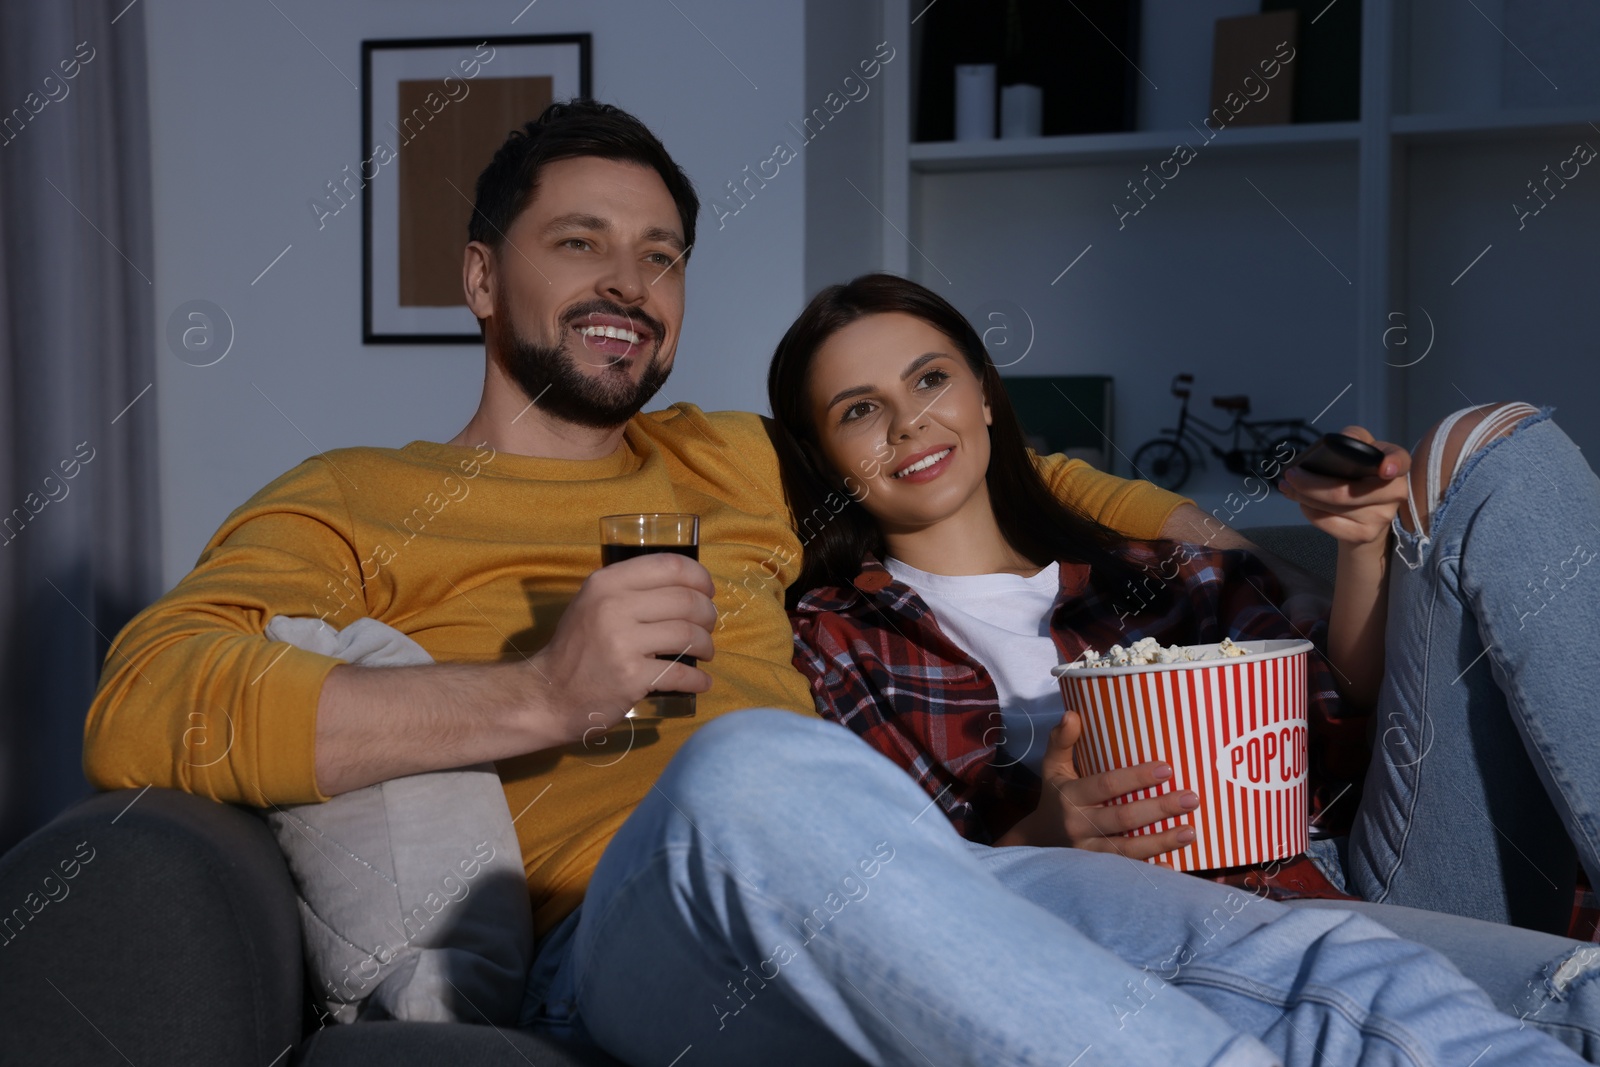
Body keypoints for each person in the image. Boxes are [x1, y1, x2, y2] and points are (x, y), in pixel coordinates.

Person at [80, 101, 1599, 1064]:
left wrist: (1232, 540)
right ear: (483, 280)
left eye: (663, 254)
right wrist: (538, 691)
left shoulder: (738, 453)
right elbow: (146, 700)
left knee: (1322, 946)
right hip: (632, 931)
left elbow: (1018, 477)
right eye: (581, 242)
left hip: (925, 882)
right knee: (760, 773)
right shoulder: (355, 494)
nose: (629, 280)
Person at [772, 272, 1600, 929]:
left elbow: (1354, 705)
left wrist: (1358, 545)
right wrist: (1037, 843)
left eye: (929, 379)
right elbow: (894, 898)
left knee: (1496, 443)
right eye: (860, 411)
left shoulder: (1164, 571)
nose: (910, 424)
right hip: (1185, 944)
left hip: (1375, 881)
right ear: (824, 458)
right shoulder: (843, 639)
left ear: (984, 395)